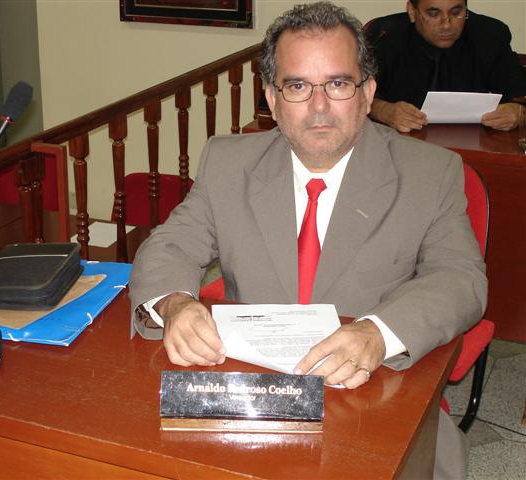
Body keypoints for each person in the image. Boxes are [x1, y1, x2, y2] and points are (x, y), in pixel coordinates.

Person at [130, 2, 487, 478]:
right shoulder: (228, 162)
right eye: (298, 86)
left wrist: (377, 334)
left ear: (368, 93)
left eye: (337, 84)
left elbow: (460, 278)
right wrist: (176, 304)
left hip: (372, 390)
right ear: (272, 99)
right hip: (249, 394)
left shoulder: (430, 173)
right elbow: (171, 244)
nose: (319, 107)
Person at [367, 0, 526, 133]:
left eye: (456, 13)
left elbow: (519, 94)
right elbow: (357, 92)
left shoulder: (489, 35)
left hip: (473, 141)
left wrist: (518, 112)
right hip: (401, 141)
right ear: (412, 11)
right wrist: (382, 110)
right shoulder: (386, 35)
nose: (446, 25)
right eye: (433, 14)